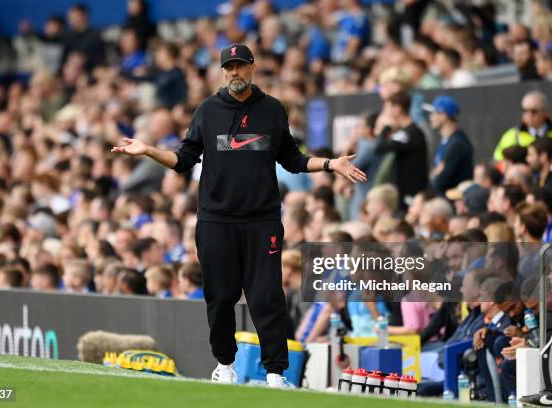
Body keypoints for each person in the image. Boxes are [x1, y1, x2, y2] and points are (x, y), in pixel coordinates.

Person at [111, 43, 367, 388]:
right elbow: (185, 159)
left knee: (267, 297)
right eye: (229, 67)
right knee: (220, 296)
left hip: (262, 222)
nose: (235, 72)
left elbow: (291, 158)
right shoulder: (207, 110)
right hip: (216, 220)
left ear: (252, 67)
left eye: (240, 65)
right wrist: (149, 151)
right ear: (222, 72)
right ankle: (225, 365)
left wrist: (330, 163)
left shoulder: (273, 109)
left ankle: (276, 373)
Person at [424, 95, 474, 195]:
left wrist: (434, 175)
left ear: (444, 115)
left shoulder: (457, 144)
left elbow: (440, 182)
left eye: (434, 113)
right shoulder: (447, 140)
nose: (431, 117)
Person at [493, 91, 552, 161]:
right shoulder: (512, 135)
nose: (529, 115)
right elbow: (498, 161)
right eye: (525, 110)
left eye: (534, 111)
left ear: (545, 112)